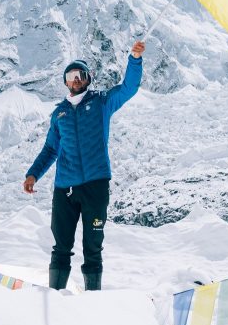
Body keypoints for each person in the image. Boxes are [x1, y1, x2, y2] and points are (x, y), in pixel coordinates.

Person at [23, 40, 145, 291]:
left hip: (95, 186)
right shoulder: (59, 114)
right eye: (70, 76)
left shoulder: (101, 102)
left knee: (93, 247)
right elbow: (50, 149)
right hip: (64, 189)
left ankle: (93, 302)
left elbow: (129, 88)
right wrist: (33, 174)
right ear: (65, 82)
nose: (75, 79)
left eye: (80, 75)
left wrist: (134, 59)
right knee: (61, 247)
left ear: (88, 79)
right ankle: (54, 296)